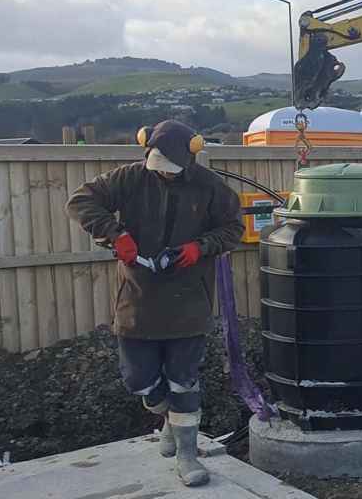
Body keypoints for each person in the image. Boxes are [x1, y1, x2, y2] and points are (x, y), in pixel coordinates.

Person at [65, 120, 242, 487]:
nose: (163, 175)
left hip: (189, 299)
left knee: (183, 380)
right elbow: (81, 201)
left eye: (171, 170)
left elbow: (232, 228)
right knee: (139, 379)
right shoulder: (130, 178)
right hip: (138, 298)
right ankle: (169, 421)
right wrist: (115, 234)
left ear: (189, 159)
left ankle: (187, 455)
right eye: (157, 165)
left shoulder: (209, 187)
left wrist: (199, 247)